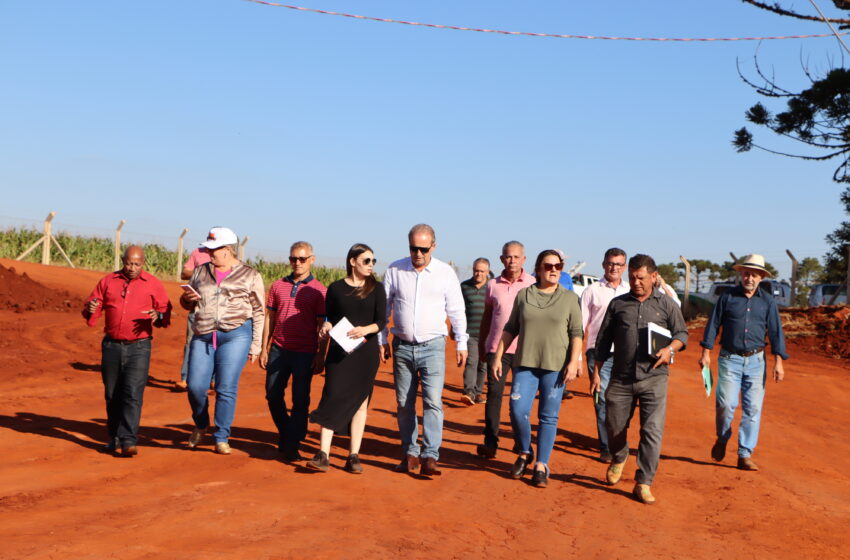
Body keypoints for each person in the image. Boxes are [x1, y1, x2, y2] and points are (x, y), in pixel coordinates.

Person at [591, 254, 688, 505]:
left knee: (652, 431)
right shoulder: (618, 304)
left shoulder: (667, 305)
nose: (636, 283)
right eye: (632, 277)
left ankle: (643, 481)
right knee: (612, 425)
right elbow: (603, 341)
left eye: (641, 278)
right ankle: (620, 455)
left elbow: (682, 334)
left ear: (654, 277)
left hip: (654, 378)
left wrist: (670, 350)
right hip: (621, 377)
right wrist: (596, 372)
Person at [379, 223, 468, 477]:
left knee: (432, 401)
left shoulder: (445, 273)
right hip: (403, 346)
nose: (418, 253)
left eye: (423, 249)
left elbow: (456, 310)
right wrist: (381, 339)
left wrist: (461, 342)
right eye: (413, 248)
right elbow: (384, 308)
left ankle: (430, 455)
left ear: (434, 246)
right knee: (404, 403)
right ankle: (410, 453)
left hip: (433, 347)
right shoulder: (395, 269)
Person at [491, 250, 583, 487]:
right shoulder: (525, 295)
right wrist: (498, 356)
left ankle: (541, 464)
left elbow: (576, 333)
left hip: (555, 366)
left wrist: (574, 362)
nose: (554, 270)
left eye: (558, 266)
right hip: (525, 364)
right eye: (548, 265)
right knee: (517, 409)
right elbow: (511, 328)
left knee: (548, 417)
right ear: (539, 269)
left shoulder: (570, 299)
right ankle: (524, 451)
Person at [698, 253, 788, 472]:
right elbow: (713, 324)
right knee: (726, 404)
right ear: (741, 275)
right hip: (730, 359)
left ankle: (744, 454)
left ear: (761, 278)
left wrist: (778, 361)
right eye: (746, 274)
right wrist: (705, 353)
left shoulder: (767, 301)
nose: (749, 278)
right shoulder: (728, 297)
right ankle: (722, 436)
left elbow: (775, 331)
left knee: (753, 408)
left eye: (754, 275)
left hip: (757, 361)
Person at [180, 227, 265, 455]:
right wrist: (187, 299)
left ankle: (221, 436)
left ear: (227, 250)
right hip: (204, 334)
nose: (208, 252)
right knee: (196, 386)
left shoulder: (250, 274)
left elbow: (259, 311)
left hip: (236, 334)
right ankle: (201, 424)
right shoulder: (200, 271)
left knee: (225, 387)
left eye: (213, 249)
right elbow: (187, 303)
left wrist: (256, 345)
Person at [82, 245, 171, 457]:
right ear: (123, 261)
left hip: (139, 347)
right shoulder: (108, 281)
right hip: (112, 345)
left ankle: (129, 440)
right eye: (129, 263)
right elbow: (92, 304)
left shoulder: (153, 284)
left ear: (143, 263)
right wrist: (90, 308)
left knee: (132, 393)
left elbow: (165, 311)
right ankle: (113, 438)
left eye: (137, 264)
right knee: (112, 393)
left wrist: (157, 316)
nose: (132, 267)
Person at [306, 244, 387, 473]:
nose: (371, 265)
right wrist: (327, 326)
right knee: (331, 396)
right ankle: (323, 454)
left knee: (361, 404)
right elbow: (331, 317)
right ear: (352, 262)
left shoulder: (377, 289)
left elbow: (381, 321)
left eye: (373, 261)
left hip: (365, 353)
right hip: (339, 353)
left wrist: (365, 329)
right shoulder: (335, 288)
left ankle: (354, 455)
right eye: (366, 260)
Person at [260, 241, 328, 462]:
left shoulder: (320, 291)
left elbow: (323, 326)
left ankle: (291, 444)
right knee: (272, 394)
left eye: (302, 259)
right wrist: (264, 347)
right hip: (279, 348)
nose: (297, 263)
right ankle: (288, 433)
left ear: (312, 259)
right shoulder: (278, 285)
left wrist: (320, 355)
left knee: (300, 399)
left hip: (305, 352)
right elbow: (269, 317)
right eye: (293, 259)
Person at [476, 241, 535, 459]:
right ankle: (490, 442)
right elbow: (487, 318)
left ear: (524, 260)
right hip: (496, 350)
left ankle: (521, 443)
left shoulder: (533, 284)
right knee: (494, 395)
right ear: (502, 259)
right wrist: (484, 344)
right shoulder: (492, 285)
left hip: (525, 351)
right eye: (508, 257)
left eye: (516, 257)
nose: (512, 261)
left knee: (520, 399)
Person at [580, 247, 629, 463]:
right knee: (601, 400)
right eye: (610, 263)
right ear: (603, 265)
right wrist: (578, 357)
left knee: (622, 401)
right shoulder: (591, 291)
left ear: (624, 267)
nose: (614, 267)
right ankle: (606, 446)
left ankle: (618, 440)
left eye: (618, 264)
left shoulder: (630, 290)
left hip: (626, 354)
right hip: (598, 353)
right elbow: (580, 325)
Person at [174, 233, 212, 391]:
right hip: (195, 305)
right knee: (190, 341)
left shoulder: (224, 257)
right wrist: (203, 272)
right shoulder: (198, 252)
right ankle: (185, 378)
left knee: (215, 342)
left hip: (216, 308)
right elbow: (184, 273)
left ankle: (213, 380)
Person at [458, 258, 490, 406]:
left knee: (483, 365)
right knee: (472, 361)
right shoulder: (464, 286)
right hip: (469, 332)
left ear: (487, 272)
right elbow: (458, 309)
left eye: (482, 271)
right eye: (476, 270)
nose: (478, 273)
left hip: (488, 334)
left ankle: (477, 393)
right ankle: (468, 391)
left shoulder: (492, 287)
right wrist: (455, 329)